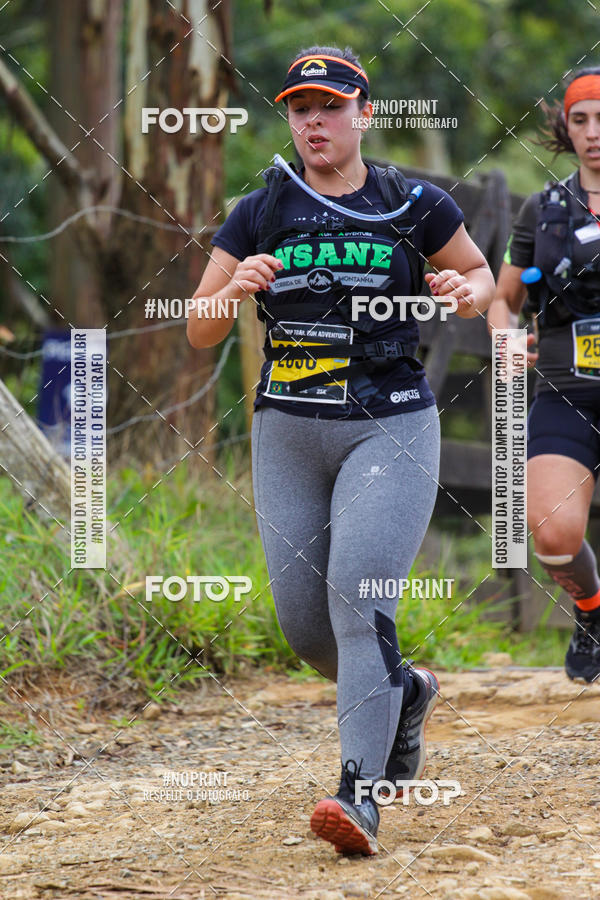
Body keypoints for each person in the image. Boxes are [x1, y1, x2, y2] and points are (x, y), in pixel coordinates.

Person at [188, 45, 494, 855]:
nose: (313, 121)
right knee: (305, 630)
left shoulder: (411, 202)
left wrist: (467, 290)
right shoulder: (261, 207)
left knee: (360, 602)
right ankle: (406, 693)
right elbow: (195, 326)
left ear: (364, 111)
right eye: (299, 108)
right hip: (287, 432)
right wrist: (234, 288)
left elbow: (479, 276)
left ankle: (358, 796)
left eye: (329, 106)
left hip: (388, 424)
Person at [487, 67, 600, 684]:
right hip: (567, 389)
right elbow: (503, 297)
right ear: (566, 128)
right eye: (580, 120)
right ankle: (591, 608)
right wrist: (505, 338)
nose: (593, 133)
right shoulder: (544, 208)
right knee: (551, 533)